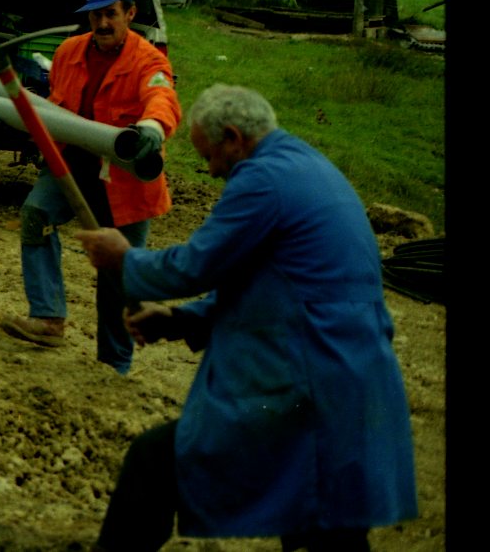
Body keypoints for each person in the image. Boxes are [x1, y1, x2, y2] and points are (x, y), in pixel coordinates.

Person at [76, 84, 417, 551]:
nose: (213, 171)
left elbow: (198, 264)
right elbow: (274, 289)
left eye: (211, 156)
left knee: (157, 460)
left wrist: (125, 258)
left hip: (309, 374)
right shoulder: (309, 167)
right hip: (346, 375)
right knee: (327, 523)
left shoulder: (263, 180)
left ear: (234, 137)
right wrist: (182, 321)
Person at [3, 0, 179, 373]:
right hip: (71, 164)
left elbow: (161, 97)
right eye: (96, 15)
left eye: (111, 15)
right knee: (36, 215)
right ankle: (47, 318)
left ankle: (114, 363)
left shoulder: (148, 60)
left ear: (129, 14)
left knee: (118, 271)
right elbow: (53, 99)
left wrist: (151, 127)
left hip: (125, 180)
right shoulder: (68, 52)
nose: (102, 24)